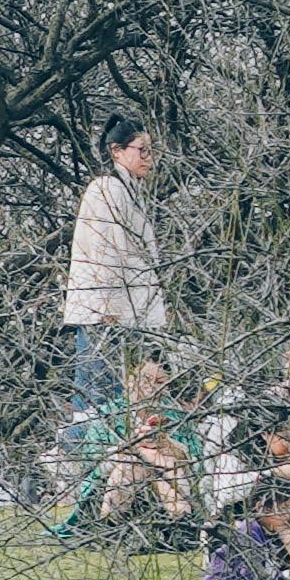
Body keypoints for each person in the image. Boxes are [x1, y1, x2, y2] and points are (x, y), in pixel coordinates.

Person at [62, 122, 163, 405]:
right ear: (116, 151)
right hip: (107, 314)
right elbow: (103, 253)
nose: (149, 159)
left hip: (125, 313)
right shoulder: (107, 189)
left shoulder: (130, 192)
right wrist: (107, 309)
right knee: (99, 397)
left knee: (120, 398)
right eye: (142, 150)